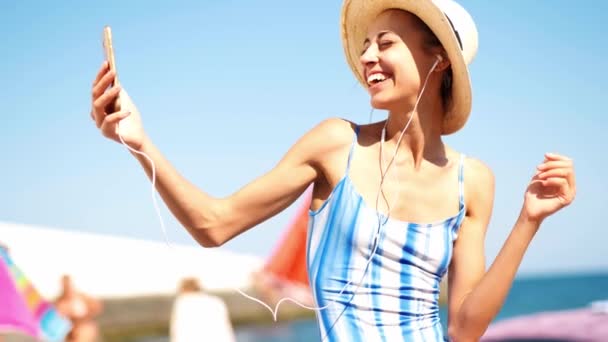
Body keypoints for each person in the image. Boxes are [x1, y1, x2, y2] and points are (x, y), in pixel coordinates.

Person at [89, 0, 577, 340]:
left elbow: (465, 328)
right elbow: (214, 224)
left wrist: (528, 221)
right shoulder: (336, 144)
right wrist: (138, 140)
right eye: (365, 45)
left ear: (438, 60)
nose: (367, 58)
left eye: (384, 43)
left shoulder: (474, 181)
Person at [169, 278, 236, 342]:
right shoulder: (217, 301)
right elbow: (227, 329)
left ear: (183, 289)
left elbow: (177, 332)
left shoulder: (182, 302)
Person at [54, 275, 102, 342]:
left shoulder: (82, 297)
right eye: (64, 285)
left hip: (83, 328)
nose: (67, 287)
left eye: (68, 284)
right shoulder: (59, 301)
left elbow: (96, 307)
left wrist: (84, 315)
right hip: (67, 330)